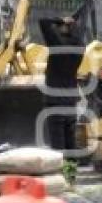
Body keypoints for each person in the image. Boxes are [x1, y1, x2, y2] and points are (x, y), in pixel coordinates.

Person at [39, 10, 86, 153]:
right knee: (70, 142)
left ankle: (62, 173)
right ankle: (71, 173)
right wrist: (71, 24)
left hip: (54, 102)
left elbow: (43, 21)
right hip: (71, 102)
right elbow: (77, 35)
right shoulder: (80, 48)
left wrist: (61, 20)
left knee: (57, 145)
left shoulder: (57, 46)